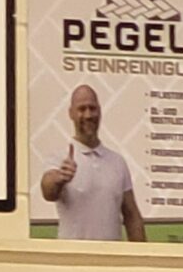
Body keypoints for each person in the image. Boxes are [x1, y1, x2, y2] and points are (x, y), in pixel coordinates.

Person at [39, 85, 146, 243]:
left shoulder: (117, 162)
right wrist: (59, 179)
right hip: (72, 255)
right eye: (81, 109)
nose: (88, 115)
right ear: (71, 113)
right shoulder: (60, 158)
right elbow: (48, 191)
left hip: (109, 257)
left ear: (100, 112)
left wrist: (143, 255)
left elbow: (131, 216)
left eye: (92, 108)